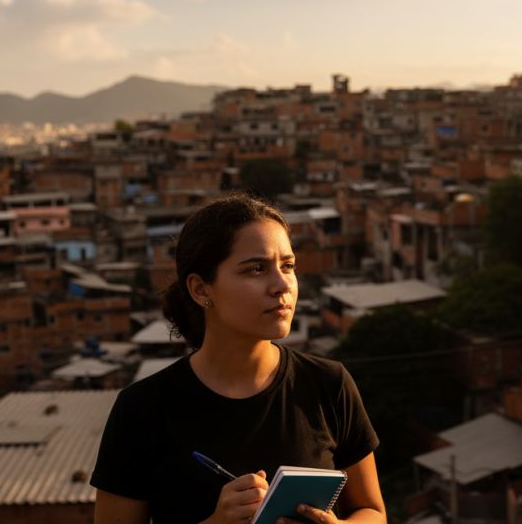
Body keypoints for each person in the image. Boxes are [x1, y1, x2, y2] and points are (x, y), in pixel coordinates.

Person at [91, 194, 385, 524]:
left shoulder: (328, 384)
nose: (281, 286)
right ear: (201, 290)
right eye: (256, 269)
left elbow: (372, 511)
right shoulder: (142, 410)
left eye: (287, 266)